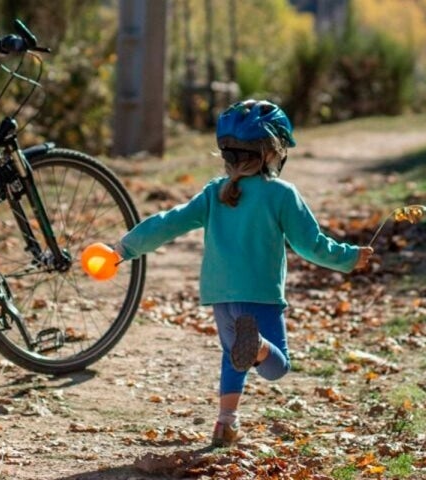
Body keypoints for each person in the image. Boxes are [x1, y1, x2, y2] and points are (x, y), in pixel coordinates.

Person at [111, 99, 374, 447]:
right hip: (261, 295)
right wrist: (348, 259)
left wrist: (124, 248)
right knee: (275, 367)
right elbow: (311, 245)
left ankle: (225, 424)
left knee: (233, 355)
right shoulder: (281, 194)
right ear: (272, 153)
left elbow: (168, 223)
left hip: (220, 295)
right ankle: (260, 345)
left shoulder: (213, 193)